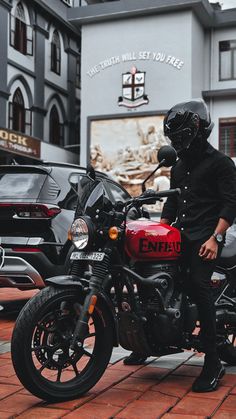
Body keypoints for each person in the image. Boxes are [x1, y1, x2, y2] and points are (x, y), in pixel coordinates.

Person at [123, 99, 236, 393]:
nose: (176, 143)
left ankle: (213, 364)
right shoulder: (179, 166)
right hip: (181, 237)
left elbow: (231, 203)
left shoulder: (221, 164)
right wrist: (161, 227)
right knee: (149, 281)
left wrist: (216, 237)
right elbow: (173, 202)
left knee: (199, 288)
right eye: (173, 138)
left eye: (180, 137)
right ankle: (145, 343)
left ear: (197, 132)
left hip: (205, 240)